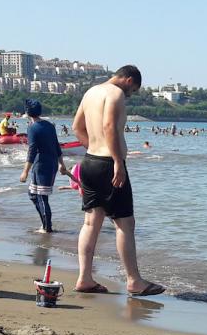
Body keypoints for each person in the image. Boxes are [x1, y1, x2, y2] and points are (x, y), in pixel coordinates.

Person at [70, 65, 164, 296]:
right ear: (129, 80)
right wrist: (117, 162)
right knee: (125, 223)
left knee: (91, 223)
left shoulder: (91, 92)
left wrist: (93, 147)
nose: (130, 95)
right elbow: (109, 126)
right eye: (133, 90)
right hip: (108, 164)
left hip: (90, 162)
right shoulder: (115, 93)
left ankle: (84, 278)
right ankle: (134, 281)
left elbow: (76, 127)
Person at [18, 99, 71, 233]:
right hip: (51, 163)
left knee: (41, 197)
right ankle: (45, 225)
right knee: (33, 194)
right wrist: (61, 164)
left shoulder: (32, 128)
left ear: (28, 113)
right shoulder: (49, 125)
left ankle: (47, 228)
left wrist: (25, 172)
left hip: (41, 165)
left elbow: (32, 150)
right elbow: (56, 146)